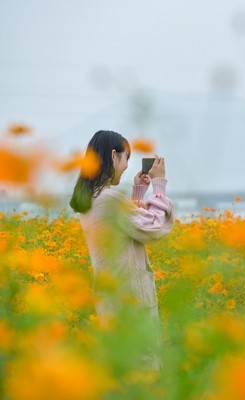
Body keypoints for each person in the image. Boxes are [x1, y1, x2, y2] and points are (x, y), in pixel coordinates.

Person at [69, 130, 174, 370]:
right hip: (130, 301)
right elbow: (153, 226)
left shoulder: (92, 198)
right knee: (143, 370)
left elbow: (127, 225)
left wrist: (138, 193)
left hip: (112, 298)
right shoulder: (108, 199)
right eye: (127, 159)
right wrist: (159, 186)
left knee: (123, 368)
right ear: (114, 156)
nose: (127, 166)